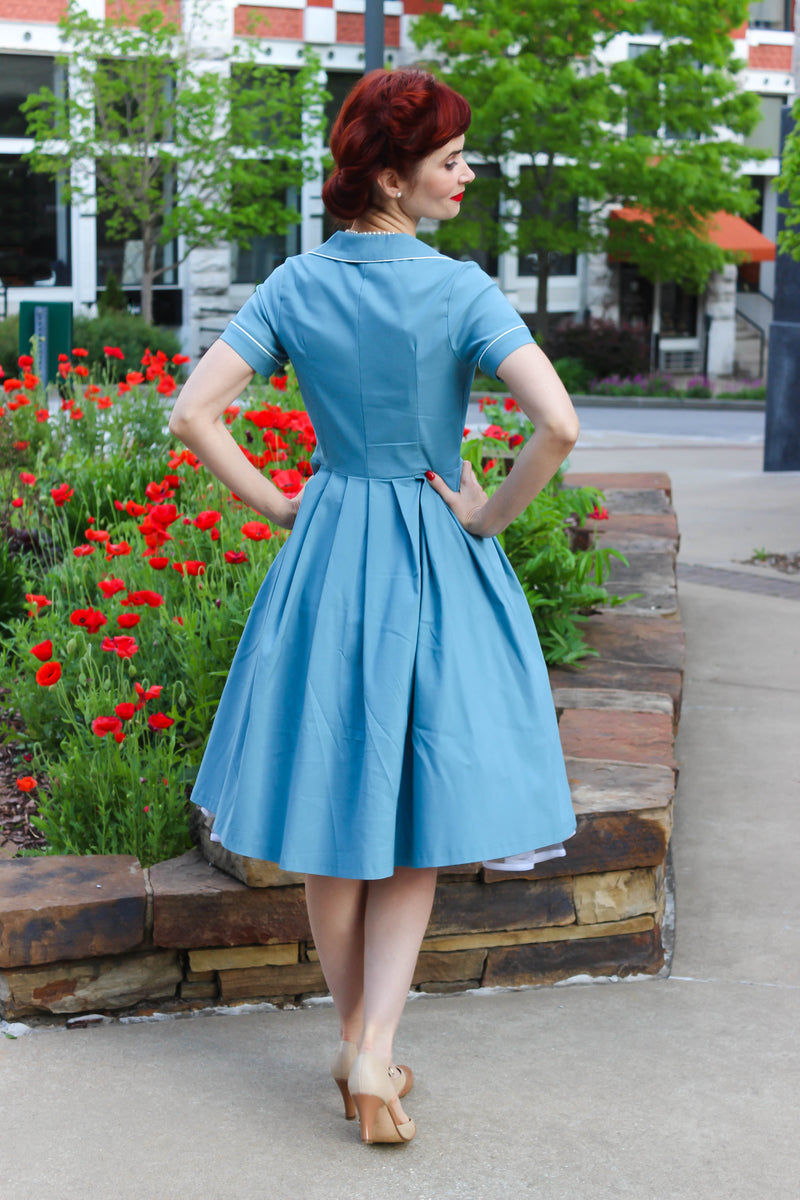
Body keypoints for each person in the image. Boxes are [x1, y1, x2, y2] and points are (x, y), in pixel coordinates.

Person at [169, 68, 580, 1146]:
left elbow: (194, 411)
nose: (466, 174)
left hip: (331, 552)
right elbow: (558, 427)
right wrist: (484, 515)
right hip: (433, 552)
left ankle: (362, 1044)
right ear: (392, 176)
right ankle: (369, 1051)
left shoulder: (297, 285)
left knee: (333, 809)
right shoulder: (460, 291)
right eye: (450, 159)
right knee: (413, 819)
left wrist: (279, 503)